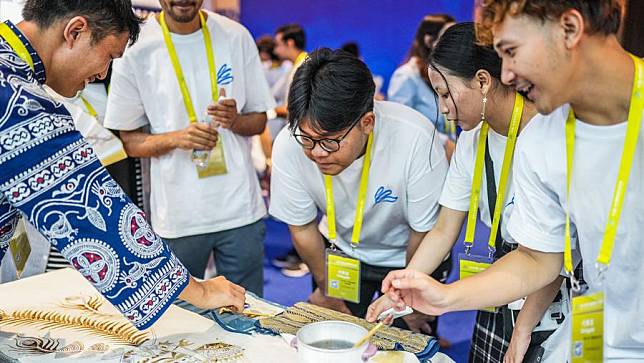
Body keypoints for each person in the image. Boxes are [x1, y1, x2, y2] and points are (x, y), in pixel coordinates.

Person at [379, 1, 644, 361]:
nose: (506, 76)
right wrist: (446, 296)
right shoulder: (543, 139)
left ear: (569, 28)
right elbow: (538, 259)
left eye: (511, 52)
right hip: (592, 342)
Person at [0, 0, 244, 329]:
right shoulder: (21, 102)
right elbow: (91, 210)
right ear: (75, 31)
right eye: (109, 57)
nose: (102, 74)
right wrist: (199, 290)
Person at [367, 22, 571, 362]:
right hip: (499, 282)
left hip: (551, 297)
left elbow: (552, 252)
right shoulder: (473, 139)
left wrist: (522, 329)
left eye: (446, 94)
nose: (443, 108)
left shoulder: (549, 136)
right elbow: (446, 226)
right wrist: (406, 284)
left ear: (482, 81)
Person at [269, 48, 451, 337]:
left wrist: (408, 298)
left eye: (330, 141)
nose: (317, 153)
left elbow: (425, 232)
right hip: (341, 254)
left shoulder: (414, 138)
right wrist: (326, 287)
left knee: (403, 344)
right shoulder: (290, 144)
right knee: (335, 339)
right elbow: (302, 225)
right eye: (307, 139)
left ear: (367, 122)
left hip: (410, 257)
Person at [103, 0, 275, 298]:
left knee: (249, 311)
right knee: (184, 318)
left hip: (240, 209)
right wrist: (177, 139)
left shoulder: (235, 35)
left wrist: (234, 120)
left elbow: (259, 120)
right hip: (179, 216)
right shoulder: (136, 46)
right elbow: (130, 142)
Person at [270, 23, 311, 277]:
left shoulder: (304, 66)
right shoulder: (298, 65)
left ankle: (304, 256)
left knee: (304, 201)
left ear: (290, 43)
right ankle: (300, 252)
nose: (275, 49)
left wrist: (270, 111)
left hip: (303, 143)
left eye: (278, 43)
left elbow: (297, 107)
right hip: (296, 141)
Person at [388, 14, 456, 159]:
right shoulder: (406, 76)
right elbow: (400, 125)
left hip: (445, 156)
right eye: (448, 37)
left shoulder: (441, 74)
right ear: (429, 41)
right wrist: (443, 143)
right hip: (421, 158)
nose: (455, 43)